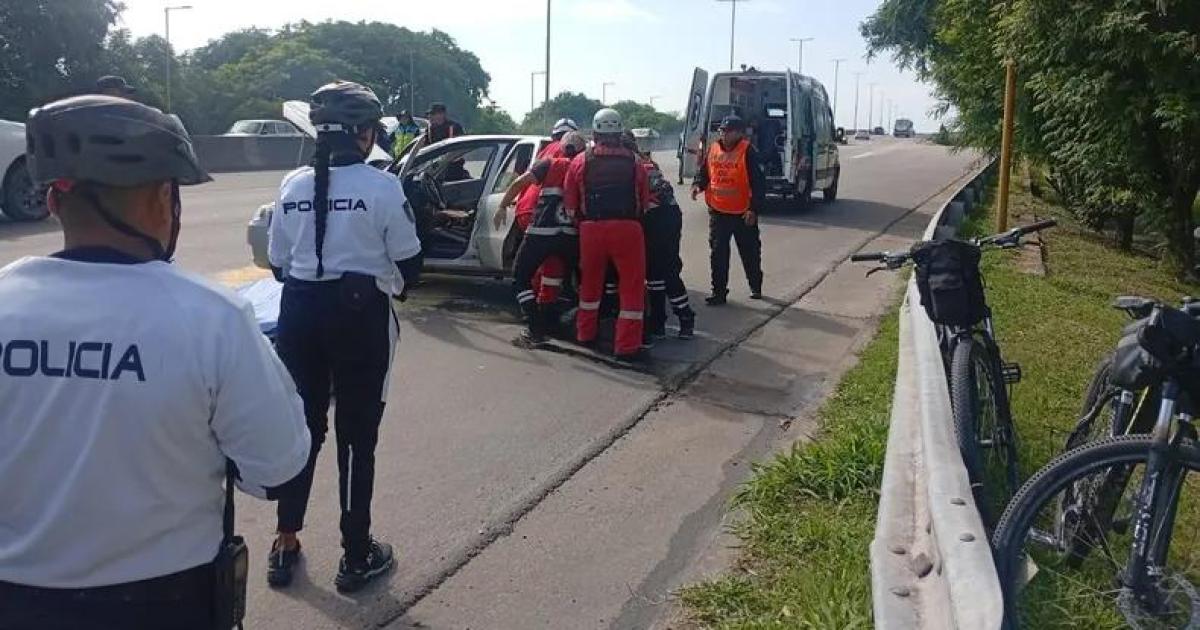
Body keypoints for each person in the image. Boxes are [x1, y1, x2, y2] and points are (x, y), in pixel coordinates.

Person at [0, 95, 311, 628]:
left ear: (53, 202)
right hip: (164, 603)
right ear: (164, 199)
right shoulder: (213, 317)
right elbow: (278, 467)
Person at [267, 81, 422, 593]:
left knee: (302, 428)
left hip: (299, 312)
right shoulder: (382, 186)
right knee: (356, 437)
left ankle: (285, 539)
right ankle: (356, 555)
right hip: (358, 316)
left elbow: (276, 264)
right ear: (364, 133)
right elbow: (410, 264)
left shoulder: (291, 186)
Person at [564, 108, 650, 360]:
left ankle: (585, 334)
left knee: (589, 285)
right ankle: (626, 346)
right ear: (619, 132)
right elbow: (644, 202)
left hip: (591, 230)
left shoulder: (580, 161)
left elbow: (570, 206)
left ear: (595, 132)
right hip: (628, 229)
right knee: (631, 288)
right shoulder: (635, 162)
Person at [496, 131, 587, 345]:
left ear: (561, 147)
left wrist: (502, 206)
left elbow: (519, 182)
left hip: (541, 234)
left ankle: (534, 326)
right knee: (577, 281)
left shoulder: (550, 164)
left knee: (520, 278)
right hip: (571, 236)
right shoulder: (584, 167)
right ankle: (571, 322)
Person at [691, 115, 766, 305]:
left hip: (743, 213)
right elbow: (705, 172)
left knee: (750, 253)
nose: (724, 134)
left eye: (729, 131)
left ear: (739, 133)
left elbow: (759, 183)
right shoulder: (713, 149)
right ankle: (719, 293)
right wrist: (697, 185)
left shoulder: (748, 151)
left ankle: (755, 286)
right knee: (718, 254)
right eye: (722, 131)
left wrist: (753, 209)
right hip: (718, 211)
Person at [630, 129, 695, 340]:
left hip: (659, 217)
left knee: (665, 271)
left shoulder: (632, 166)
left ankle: (685, 317)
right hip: (668, 215)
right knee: (655, 272)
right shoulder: (646, 162)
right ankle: (659, 320)